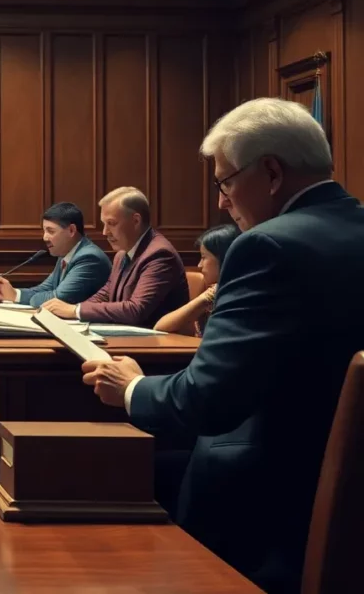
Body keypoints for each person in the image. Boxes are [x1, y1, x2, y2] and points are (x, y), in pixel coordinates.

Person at [80, 98, 364, 593]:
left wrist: (133, 388)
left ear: (271, 172)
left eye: (225, 182)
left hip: (277, 505)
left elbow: (207, 401)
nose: (220, 202)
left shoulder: (266, 246)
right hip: (346, 496)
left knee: (90, 479)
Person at [43, 186, 188, 328]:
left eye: (111, 224)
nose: (105, 232)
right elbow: (105, 295)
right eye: (104, 224)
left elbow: (136, 310)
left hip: (159, 345)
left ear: (136, 221)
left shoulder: (159, 255)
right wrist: (71, 310)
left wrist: (75, 311)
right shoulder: (121, 255)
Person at [0, 202, 110, 306]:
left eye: (50, 231)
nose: (45, 237)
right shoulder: (66, 253)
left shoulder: (89, 258)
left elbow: (57, 298)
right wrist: (14, 294)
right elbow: (46, 288)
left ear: (71, 230)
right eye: (44, 231)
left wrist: (22, 297)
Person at [154, 224, 240, 336]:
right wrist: (206, 297)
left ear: (225, 258)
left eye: (204, 257)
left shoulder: (237, 297)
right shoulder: (214, 293)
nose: (199, 265)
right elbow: (161, 326)